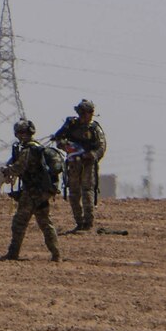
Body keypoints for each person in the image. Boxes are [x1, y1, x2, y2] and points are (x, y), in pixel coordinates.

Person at [0, 117, 63, 262]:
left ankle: (13, 254)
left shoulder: (28, 150)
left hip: (32, 192)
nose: (21, 135)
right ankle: (56, 254)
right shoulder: (36, 147)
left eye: (22, 132)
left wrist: (6, 172)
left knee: (19, 223)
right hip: (42, 192)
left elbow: (19, 168)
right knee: (45, 223)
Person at [49, 98, 108, 232]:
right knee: (74, 193)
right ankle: (79, 222)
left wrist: (91, 155)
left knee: (87, 192)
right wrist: (65, 146)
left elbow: (102, 146)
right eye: (82, 113)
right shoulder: (71, 126)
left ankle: (88, 223)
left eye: (87, 113)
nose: (85, 116)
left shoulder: (95, 128)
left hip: (88, 164)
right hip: (73, 164)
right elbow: (59, 140)